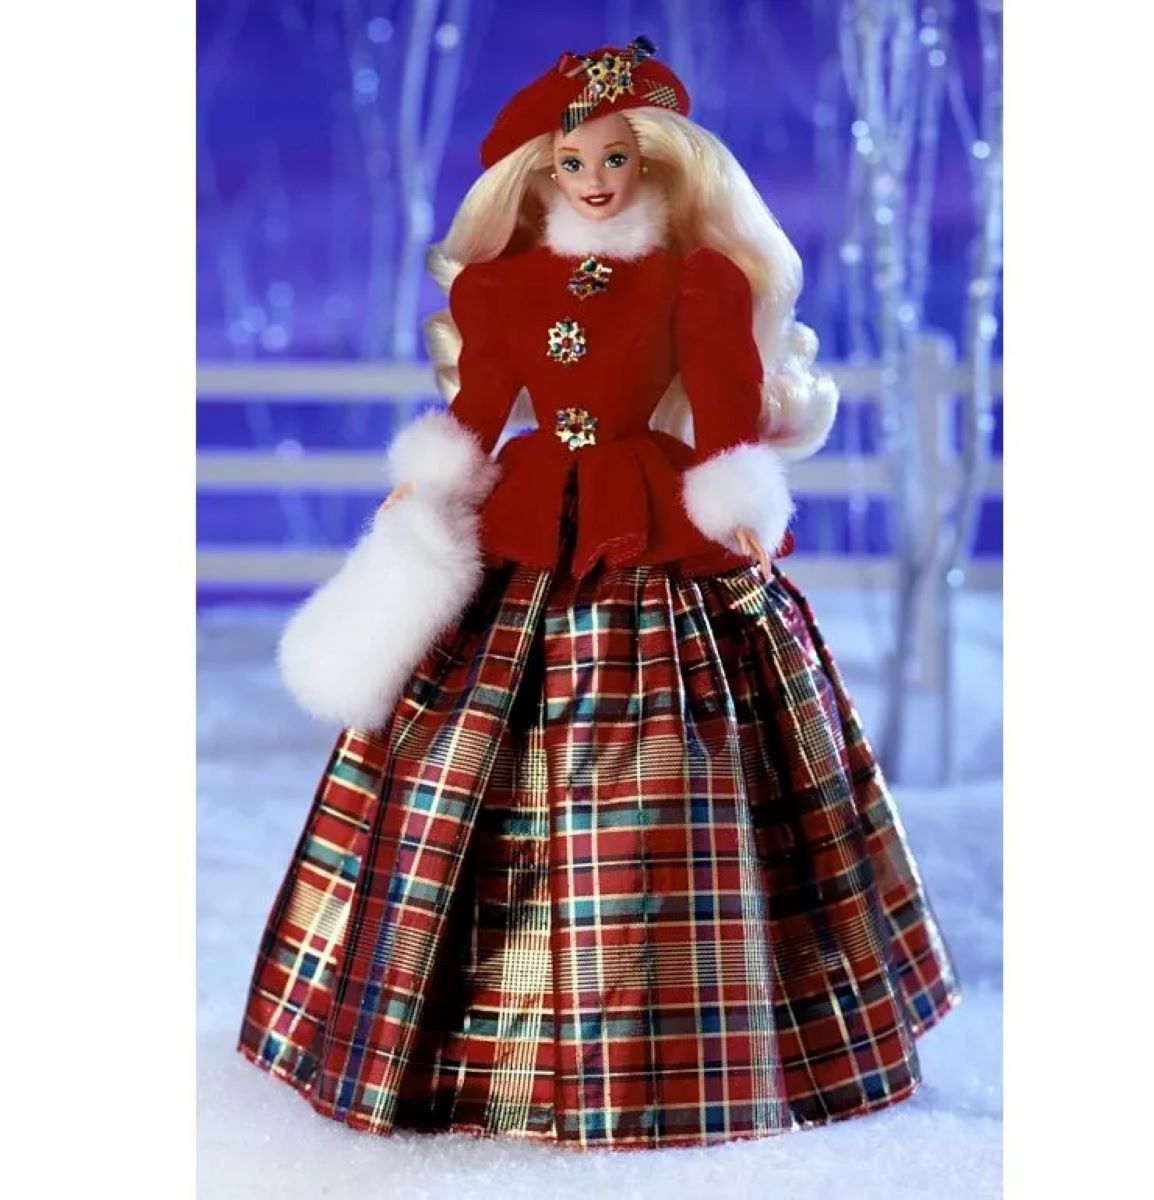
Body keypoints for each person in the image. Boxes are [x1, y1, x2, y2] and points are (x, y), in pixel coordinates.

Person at [237, 35, 960, 1151]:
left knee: (692, 759)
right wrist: (427, 485)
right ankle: (452, 1041)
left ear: (656, 161)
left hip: (657, 518)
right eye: (571, 163)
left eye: (615, 158)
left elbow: (723, 408)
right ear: (541, 176)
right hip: (532, 517)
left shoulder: (698, 279)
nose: (594, 179)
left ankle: (714, 1036)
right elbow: (481, 407)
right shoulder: (503, 287)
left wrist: (740, 504)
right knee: (457, 744)